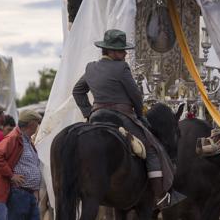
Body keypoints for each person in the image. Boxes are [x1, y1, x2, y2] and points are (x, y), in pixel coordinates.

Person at [72, 28, 184, 209]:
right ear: (110, 51)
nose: (124, 54)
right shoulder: (121, 67)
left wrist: (88, 113)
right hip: (121, 117)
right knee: (152, 147)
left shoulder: (91, 68)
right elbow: (136, 96)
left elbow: (78, 91)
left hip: (96, 117)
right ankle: (161, 196)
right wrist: (140, 116)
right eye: (121, 50)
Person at [0, 109, 42, 220]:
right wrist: (11, 175)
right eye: (37, 123)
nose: (38, 126)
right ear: (31, 124)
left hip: (27, 193)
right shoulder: (14, 138)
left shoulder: (25, 140)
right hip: (20, 193)